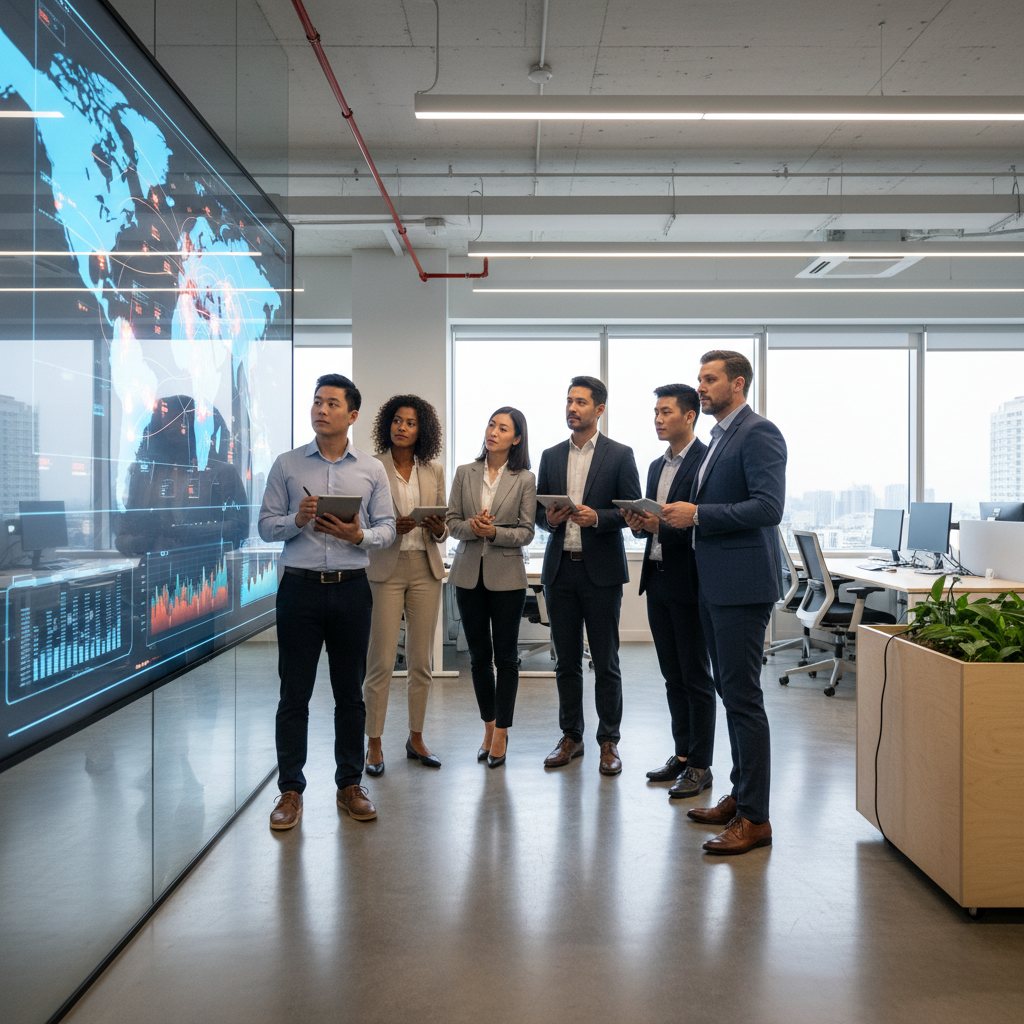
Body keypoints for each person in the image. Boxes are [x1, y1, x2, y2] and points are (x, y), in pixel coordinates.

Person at [661, 351, 787, 855]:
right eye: (699, 379)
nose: (701, 386)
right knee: (732, 695)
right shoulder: (719, 437)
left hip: (741, 586)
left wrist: (698, 515)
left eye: (710, 379)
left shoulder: (759, 432)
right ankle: (740, 795)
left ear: (738, 383)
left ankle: (756, 818)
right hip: (714, 584)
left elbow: (768, 506)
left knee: (744, 699)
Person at [258, 373, 396, 829]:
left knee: (349, 694)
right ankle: (290, 791)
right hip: (299, 590)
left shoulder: (371, 469)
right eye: (317, 401)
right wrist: (296, 520)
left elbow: (387, 528)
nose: (321, 409)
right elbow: (265, 526)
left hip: (352, 589)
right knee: (293, 695)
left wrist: (358, 535)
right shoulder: (287, 464)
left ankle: (349, 784)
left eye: (332, 403)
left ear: (352, 415)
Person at [535, 376, 641, 775]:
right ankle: (571, 736)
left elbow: (632, 514)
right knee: (566, 662)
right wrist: (550, 519)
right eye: (568, 401)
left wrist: (598, 517)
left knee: (606, 661)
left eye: (580, 402)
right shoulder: (550, 456)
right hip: (560, 570)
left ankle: (609, 741)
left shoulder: (620, 455)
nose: (571, 408)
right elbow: (539, 515)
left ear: (599, 409)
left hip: (601, 573)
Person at [622, 384, 715, 799]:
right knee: (672, 676)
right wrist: (639, 525)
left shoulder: (705, 461)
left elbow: (701, 526)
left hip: (690, 580)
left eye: (666, 412)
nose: (658, 419)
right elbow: (654, 525)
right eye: (655, 412)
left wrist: (661, 526)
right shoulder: (656, 466)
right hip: (657, 578)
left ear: (689, 415)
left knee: (696, 676)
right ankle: (682, 754)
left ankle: (700, 765)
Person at [363, 395, 448, 776]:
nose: (402, 427)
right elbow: (362, 523)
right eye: (397, 420)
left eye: (411, 423)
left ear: (421, 430)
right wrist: (387, 529)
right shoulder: (371, 467)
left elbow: (444, 526)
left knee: (421, 662)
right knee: (381, 661)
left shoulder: (433, 471)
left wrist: (438, 527)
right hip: (385, 567)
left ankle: (416, 738)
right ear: (388, 424)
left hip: (425, 568)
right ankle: (374, 742)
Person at [446, 407, 536, 768]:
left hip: (507, 578)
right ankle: (488, 726)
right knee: (479, 658)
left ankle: (502, 732)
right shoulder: (464, 472)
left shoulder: (525, 479)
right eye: (491, 425)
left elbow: (527, 532)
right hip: (468, 575)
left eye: (503, 428)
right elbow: (451, 523)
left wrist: (494, 532)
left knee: (506, 658)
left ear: (516, 438)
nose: (493, 432)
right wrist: (472, 527)